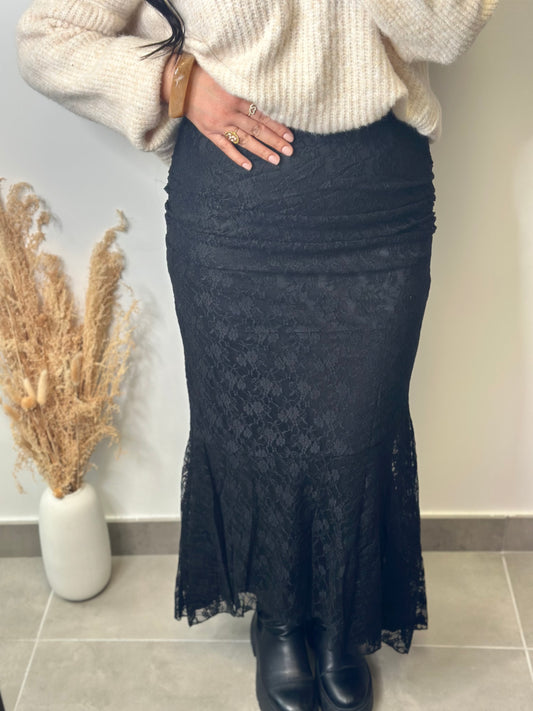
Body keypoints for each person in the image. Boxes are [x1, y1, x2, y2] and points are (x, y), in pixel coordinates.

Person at [16, 2, 499, 710]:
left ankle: (336, 618)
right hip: (233, 213)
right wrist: (176, 83)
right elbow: (46, 39)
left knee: (358, 434)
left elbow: (448, 29)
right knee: (251, 433)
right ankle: (278, 616)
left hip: (375, 206)